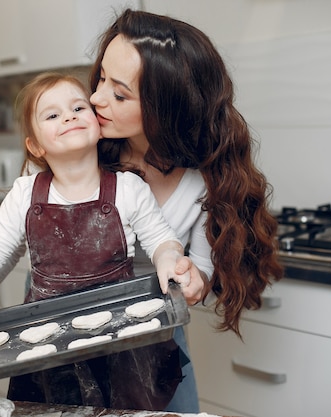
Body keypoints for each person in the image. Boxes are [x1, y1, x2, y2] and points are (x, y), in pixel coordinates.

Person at [0, 72, 198, 410]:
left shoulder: (128, 189)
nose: (69, 116)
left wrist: (170, 261)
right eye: (52, 115)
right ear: (36, 145)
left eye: (78, 107)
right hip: (49, 351)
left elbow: (162, 241)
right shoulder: (24, 194)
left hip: (122, 345)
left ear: (97, 123)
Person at [88, 9, 285, 412]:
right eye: (101, 79)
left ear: (165, 109)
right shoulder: (83, 151)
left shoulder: (203, 179)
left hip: (156, 334)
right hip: (75, 330)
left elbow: (201, 266)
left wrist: (194, 280)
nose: (95, 97)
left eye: (119, 94)